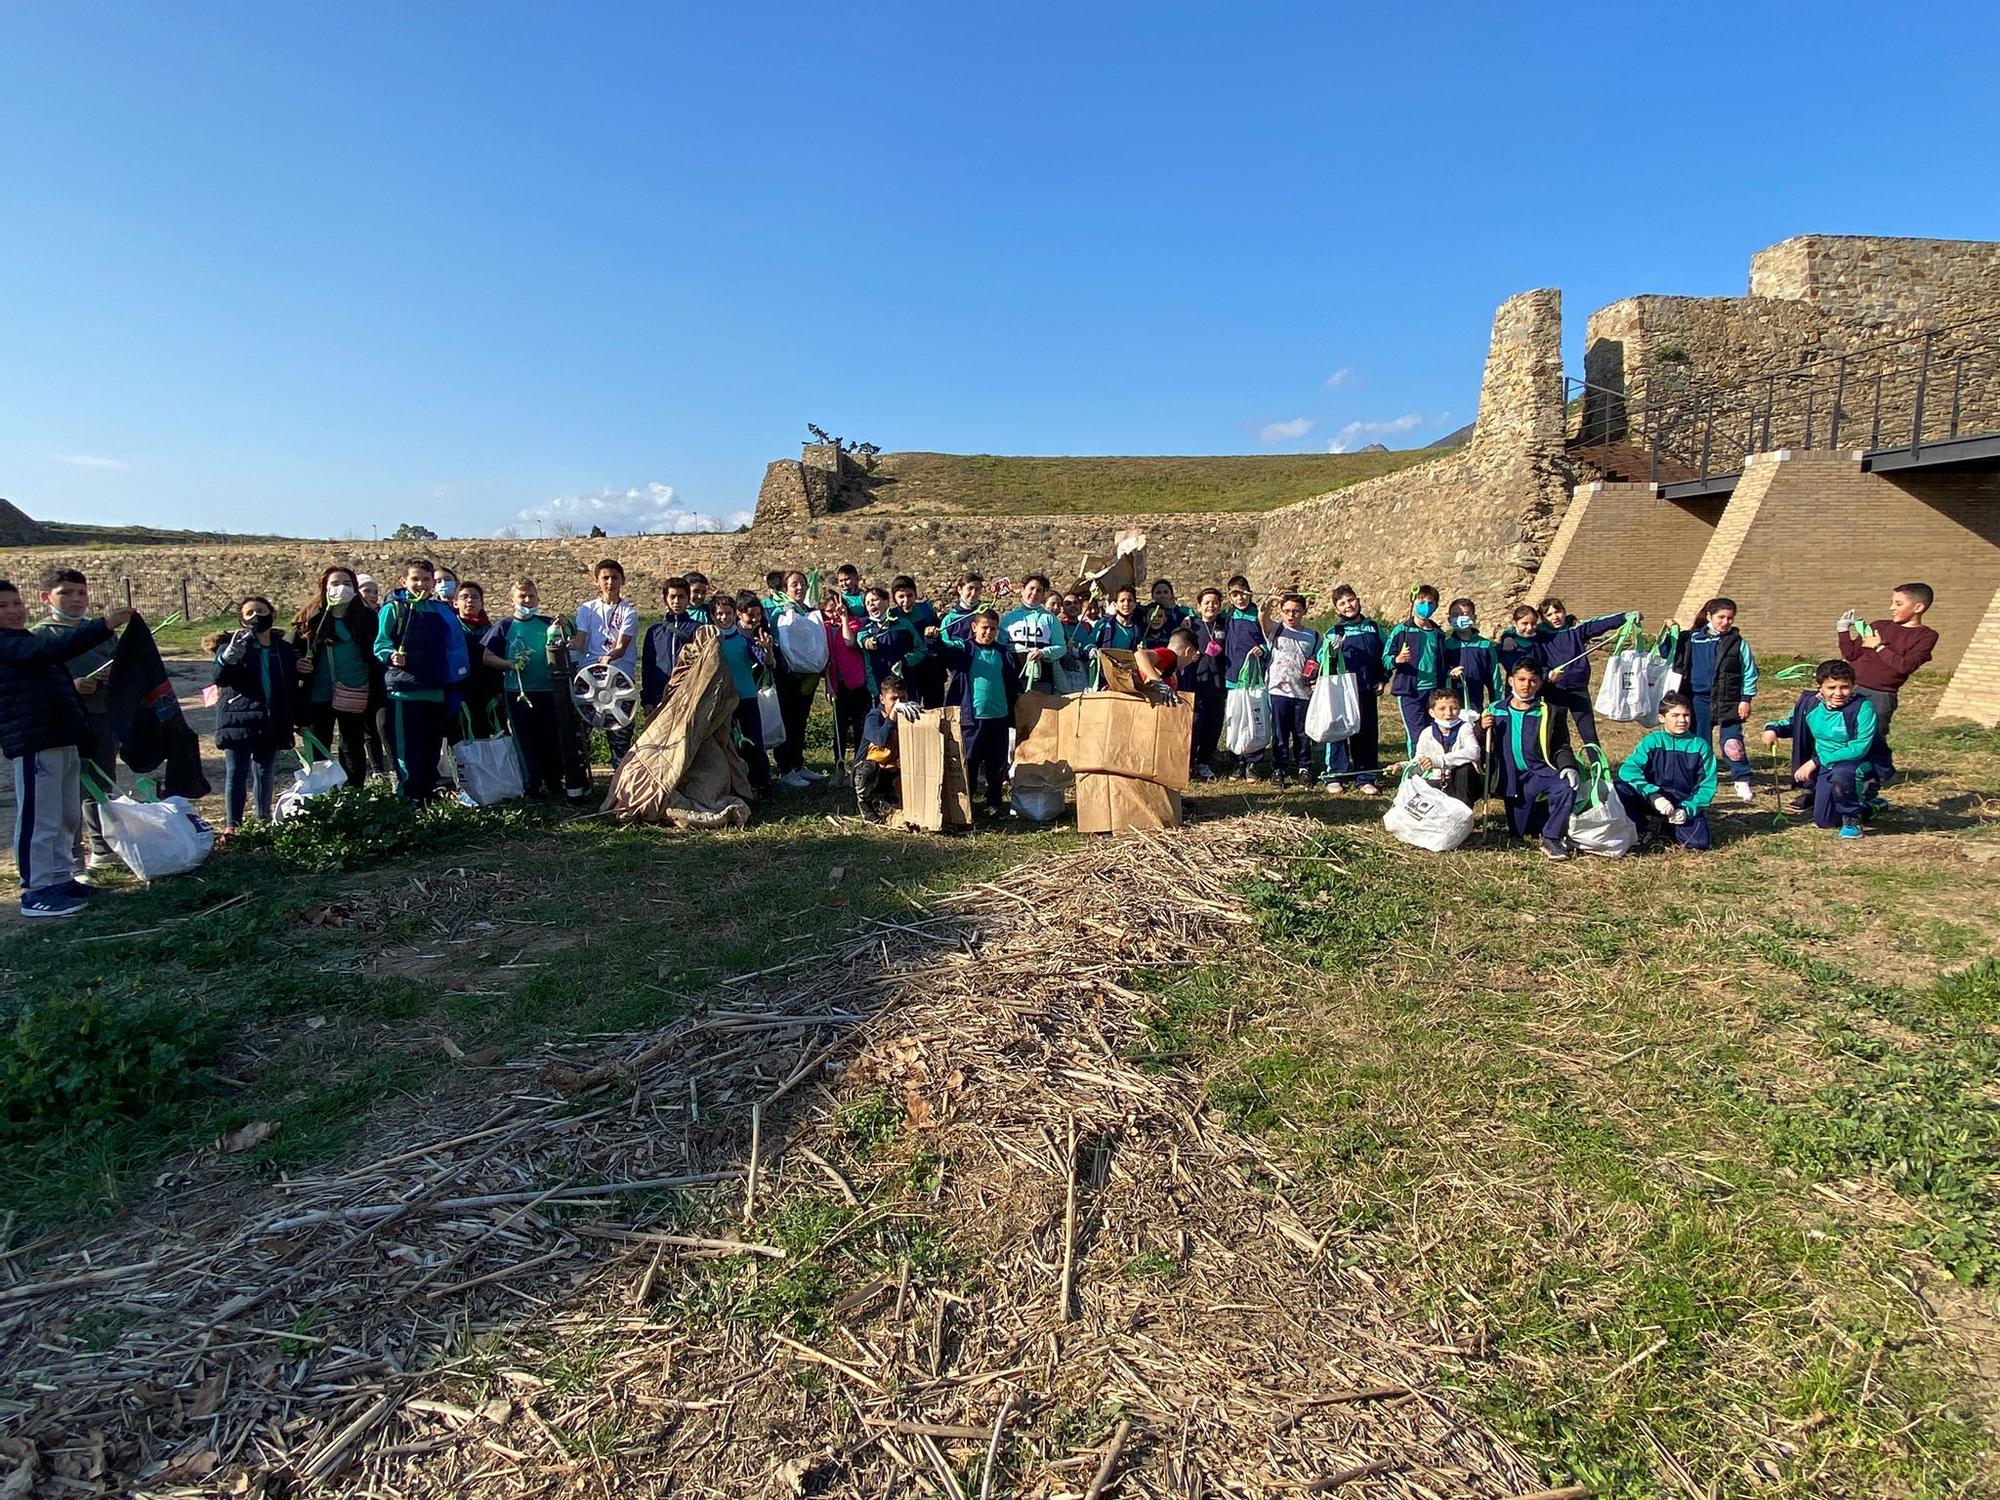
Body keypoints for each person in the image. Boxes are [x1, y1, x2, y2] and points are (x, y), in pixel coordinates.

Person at [2, 580, 134, 916]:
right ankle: (36, 890)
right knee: (39, 817)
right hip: (34, 742)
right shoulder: (12, 644)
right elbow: (52, 651)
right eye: (3, 607)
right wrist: (103, 626)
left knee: (65, 813)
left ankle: (61, 877)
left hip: (61, 739)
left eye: (16, 603)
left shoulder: (24, 640)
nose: (15, 611)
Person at [33, 567, 121, 875]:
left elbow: (124, 666)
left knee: (102, 783)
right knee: (68, 789)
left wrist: (113, 676)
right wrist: (72, 685)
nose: (76, 599)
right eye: (66, 593)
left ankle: (102, 848)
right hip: (64, 723)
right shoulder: (40, 636)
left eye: (81, 592)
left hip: (102, 717)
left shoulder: (102, 633)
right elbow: (34, 683)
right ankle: (71, 858)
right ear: (46, 598)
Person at [373, 557, 467, 799]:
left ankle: (427, 796)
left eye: (426, 579)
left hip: (435, 690)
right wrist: (391, 656)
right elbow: (381, 643)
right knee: (408, 752)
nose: (421, 584)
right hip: (405, 692)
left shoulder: (440, 611)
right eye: (415, 579)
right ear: (404, 581)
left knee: (431, 750)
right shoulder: (394, 609)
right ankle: (409, 798)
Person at [1761, 659, 1877, 838]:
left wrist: (1815, 761)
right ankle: (1870, 808)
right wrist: (1771, 729)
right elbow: (1793, 723)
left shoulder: (1863, 707)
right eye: (1831, 687)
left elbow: (1859, 747)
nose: (1838, 693)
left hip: (1856, 763)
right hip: (1825, 764)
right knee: (1825, 821)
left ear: (1853, 685)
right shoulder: (1810, 704)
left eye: (1844, 687)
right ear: (1820, 687)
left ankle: (1852, 819)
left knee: (1843, 772)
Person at [1837, 581, 1937, 789]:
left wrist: (1879, 647)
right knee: (1844, 732)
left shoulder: (1926, 636)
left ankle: (1877, 777)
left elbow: (1904, 666)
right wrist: (1843, 631)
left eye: (1898, 603)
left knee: (1873, 736)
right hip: (1852, 688)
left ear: (1918, 607)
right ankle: (1848, 772)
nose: (1892, 608)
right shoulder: (1879, 626)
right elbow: (1851, 654)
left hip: (1881, 694)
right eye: (1892, 602)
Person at [212, 595, 298, 836]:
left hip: (271, 721)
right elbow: (219, 677)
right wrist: (227, 659)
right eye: (249, 613)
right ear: (241, 621)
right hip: (238, 720)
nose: (256, 616)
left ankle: (262, 821)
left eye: (261, 610)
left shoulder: (283, 649)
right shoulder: (233, 646)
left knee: (265, 772)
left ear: (273, 614)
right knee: (236, 773)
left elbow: (291, 684)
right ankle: (233, 825)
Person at [1656, 597, 1757, 802]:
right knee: (1700, 743)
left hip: (1728, 700)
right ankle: (1703, 777)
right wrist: (1670, 632)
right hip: (1696, 701)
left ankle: (1741, 778)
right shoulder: (1691, 638)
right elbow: (1666, 652)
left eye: (1730, 618)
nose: (1725, 622)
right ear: (1709, 616)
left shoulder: (1737, 643)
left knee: (1732, 742)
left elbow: (1750, 672)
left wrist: (1745, 699)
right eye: (1721, 617)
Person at [1480, 659, 1582, 860]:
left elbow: (1561, 744)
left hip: (1539, 773)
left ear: (1540, 683)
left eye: (1533, 680)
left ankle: (1552, 838)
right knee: (1520, 832)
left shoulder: (1548, 711)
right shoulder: (1494, 710)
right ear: (1511, 681)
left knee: (1566, 785)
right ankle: (1539, 819)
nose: (1526, 685)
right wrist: (1480, 728)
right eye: (1521, 679)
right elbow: (1481, 745)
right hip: (1511, 780)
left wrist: (1568, 766)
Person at [291, 565, 380, 787]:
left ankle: (354, 792)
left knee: (352, 744)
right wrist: (298, 662)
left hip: (354, 691)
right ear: (325, 587)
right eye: (336, 584)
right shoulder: (311, 618)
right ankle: (322, 791)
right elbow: (291, 649)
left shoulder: (367, 617)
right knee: (320, 744)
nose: (342, 588)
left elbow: (376, 650)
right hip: (319, 693)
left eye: (348, 584)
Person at [930, 608, 1024, 817]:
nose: (988, 633)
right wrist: (933, 640)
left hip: (998, 718)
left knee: (996, 764)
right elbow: (943, 651)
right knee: (970, 763)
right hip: (972, 720)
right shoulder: (965, 649)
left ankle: (994, 802)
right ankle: (967, 804)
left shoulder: (1002, 652)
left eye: (993, 629)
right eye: (984, 628)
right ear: (974, 627)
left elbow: (1012, 682)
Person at [1616, 690, 1718, 850]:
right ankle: (1641, 825)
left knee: (1698, 844)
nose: (1682, 720)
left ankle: (1669, 826)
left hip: (1682, 802)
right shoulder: (1651, 741)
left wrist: (1687, 809)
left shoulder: (1700, 746)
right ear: (1662, 718)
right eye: (1675, 715)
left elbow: (1707, 785)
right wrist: (1653, 794)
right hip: (1652, 799)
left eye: (1686, 715)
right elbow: (1628, 770)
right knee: (1620, 788)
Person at [1537, 597, 1634, 750]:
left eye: (1558, 612)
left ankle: (1599, 767)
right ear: (1543, 618)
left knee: (1589, 734)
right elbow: (1532, 661)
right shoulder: (1539, 636)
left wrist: (1624, 617)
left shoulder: (1576, 629)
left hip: (1578, 689)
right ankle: (1564, 767)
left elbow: (1599, 624)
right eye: (1549, 615)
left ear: (1564, 611)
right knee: (1558, 733)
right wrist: (1547, 674)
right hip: (1554, 691)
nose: (1555, 617)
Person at [1319, 585, 1386, 795]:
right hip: (1342, 692)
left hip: (1366, 690)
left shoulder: (1374, 628)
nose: (1348, 606)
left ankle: (1366, 776)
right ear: (1337, 610)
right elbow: (1324, 660)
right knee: (1338, 733)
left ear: (1358, 600)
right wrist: (1332, 651)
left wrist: (1383, 679)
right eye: (1342, 603)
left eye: (1350, 600)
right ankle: (1335, 775)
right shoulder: (1334, 631)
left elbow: (1385, 656)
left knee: (1366, 733)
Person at [572, 559, 638, 768]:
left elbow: (621, 646)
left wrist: (610, 658)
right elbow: (580, 641)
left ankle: (621, 785)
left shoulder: (629, 612)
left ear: (623, 580)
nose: (610, 582)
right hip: (588, 678)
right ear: (597, 582)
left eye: (614, 577)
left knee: (620, 736)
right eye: (605, 578)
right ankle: (580, 783)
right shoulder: (586, 610)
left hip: (618, 679)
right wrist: (564, 642)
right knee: (579, 735)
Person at [502, 579, 566, 796]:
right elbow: (487, 656)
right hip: (518, 692)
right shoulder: (504, 626)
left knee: (551, 737)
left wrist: (566, 624)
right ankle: (531, 783)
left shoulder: (547, 624)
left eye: (531, 596)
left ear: (538, 599)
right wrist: (510, 664)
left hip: (548, 690)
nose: (527, 600)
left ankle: (555, 781)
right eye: (522, 596)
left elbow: (571, 639)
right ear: (512, 600)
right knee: (526, 739)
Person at [769, 570, 829, 787]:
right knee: (787, 721)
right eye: (794, 584)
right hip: (787, 677)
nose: (800, 588)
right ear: (786, 589)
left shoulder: (808, 612)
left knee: (800, 721)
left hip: (807, 677)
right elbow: (777, 642)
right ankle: (785, 769)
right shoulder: (780, 612)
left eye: (803, 583)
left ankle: (798, 764)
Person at [710, 592, 771, 794]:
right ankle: (732, 783)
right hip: (720, 700)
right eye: (719, 613)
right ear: (712, 616)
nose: (723, 617)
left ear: (734, 615)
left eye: (727, 613)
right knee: (727, 744)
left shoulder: (745, 640)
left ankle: (761, 783)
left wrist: (767, 650)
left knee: (753, 741)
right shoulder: (709, 642)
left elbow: (766, 662)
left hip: (746, 697)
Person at [1262, 593, 1320, 787]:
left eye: (1296, 611)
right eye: (1286, 611)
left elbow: (1316, 660)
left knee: (1301, 732)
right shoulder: (1276, 630)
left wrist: (1314, 670)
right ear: (1281, 612)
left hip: (1302, 692)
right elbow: (1262, 617)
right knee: (1279, 732)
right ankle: (1278, 768)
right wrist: (1270, 599)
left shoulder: (1312, 635)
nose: (1291, 615)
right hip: (1278, 691)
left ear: (1304, 611)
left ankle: (1303, 767)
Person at [1383, 584, 1446, 755]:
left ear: (1436, 606)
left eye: (1430, 602)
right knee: (1416, 735)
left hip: (1433, 691)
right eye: (1421, 601)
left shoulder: (1438, 633)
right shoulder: (1401, 630)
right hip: (1409, 691)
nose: (1425, 606)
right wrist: (1397, 659)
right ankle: (1415, 770)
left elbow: (1443, 662)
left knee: (1434, 732)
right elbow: (1385, 660)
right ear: (1413, 602)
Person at [449, 583, 515, 741]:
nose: (470, 601)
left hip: (490, 694)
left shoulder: (492, 631)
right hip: (461, 693)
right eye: (464, 597)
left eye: (474, 597)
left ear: (482, 603)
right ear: (455, 602)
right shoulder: (450, 630)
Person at [1398, 683, 1481, 807]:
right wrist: (1402, 767)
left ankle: (1464, 815)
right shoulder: (1426, 733)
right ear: (1432, 712)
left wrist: (1438, 761)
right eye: (1442, 709)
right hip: (1435, 781)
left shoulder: (1465, 728)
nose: (1448, 714)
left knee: (1464, 770)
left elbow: (1474, 752)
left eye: (1454, 708)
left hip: (1461, 783)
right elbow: (1418, 762)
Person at [1220, 576, 1269, 779]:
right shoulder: (1227, 616)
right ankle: (1238, 762)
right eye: (1235, 595)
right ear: (1230, 598)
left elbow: (1268, 640)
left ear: (1250, 593)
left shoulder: (1257, 615)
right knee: (1236, 720)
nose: (1240, 598)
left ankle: (1253, 763)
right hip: (1232, 678)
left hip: (1254, 678)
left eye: (1243, 593)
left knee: (1255, 719)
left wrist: (1263, 649)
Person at [824, 591, 871, 784]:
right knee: (839, 727)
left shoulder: (853, 623)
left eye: (837, 609)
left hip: (857, 682)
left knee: (860, 726)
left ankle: (858, 767)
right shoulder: (824, 628)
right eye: (829, 611)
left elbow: (849, 642)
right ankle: (839, 766)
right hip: (838, 684)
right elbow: (825, 659)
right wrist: (828, 685)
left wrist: (844, 618)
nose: (833, 613)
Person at [853, 676, 915, 821]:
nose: (899, 703)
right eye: (894, 699)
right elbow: (880, 740)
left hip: (891, 771)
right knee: (869, 768)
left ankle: (887, 796)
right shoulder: (874, 717)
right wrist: (893, 715)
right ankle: (864, 802)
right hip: (868, 772)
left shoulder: (907, 716)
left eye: (903, 698)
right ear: (882, 699)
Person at [1185, 587, 1230, 780]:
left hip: (1218, 685)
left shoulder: (1225, 624)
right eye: (1207, 603)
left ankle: (1204, 762)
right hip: (1195, 684)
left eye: (1215, 603)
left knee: (1213, 727)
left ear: (1220, 606)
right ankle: (1188, 763)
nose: (1211, 606)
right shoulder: (1191, 626)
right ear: (1199, 606)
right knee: (1194, 725)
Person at [641, 576, 702, 712]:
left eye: (681, 597)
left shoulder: (698, 629)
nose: (676, 601)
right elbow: (648, 666)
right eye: (672, 597)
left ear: (688, 599)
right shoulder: (655, 631)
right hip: (660, 692)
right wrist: (647, 700)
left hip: (688, 692)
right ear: (665, 599)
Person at [1000, 575, 1064, 692]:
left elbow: (1061, 647)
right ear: (1022, 589)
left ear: (1044, 594)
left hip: (1042, 677)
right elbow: (1000, 647)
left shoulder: (1050, 619)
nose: (1034, 593)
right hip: (1013, 677)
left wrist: (1043, 653)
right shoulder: (1008, 618)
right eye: (1031, 588)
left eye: (1039, 590)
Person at [889, 575, 944, 709]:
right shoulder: (891, 616)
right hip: (908, 671)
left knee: (935, 710)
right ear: (894, 598)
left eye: (910, 595)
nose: (906, 600)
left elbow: (940, 634)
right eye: (901, 596)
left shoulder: (927, 610)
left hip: (932, 669)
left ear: (915, 595)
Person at [353, 574, 389, 774]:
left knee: (384, 725)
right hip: (362, 678)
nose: (373, 595)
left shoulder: (383, 614)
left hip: (382, 678)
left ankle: (393, 768)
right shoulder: (354, 619)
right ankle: (378, 770)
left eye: (375, 591)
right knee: (368, 729)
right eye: (367, 591)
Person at [854, 585, 917, 697]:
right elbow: (861, 642)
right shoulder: (866, 631)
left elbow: (921, 649)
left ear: (886, 602)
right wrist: (866, 642)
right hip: (881, 688)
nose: (871, 604)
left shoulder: (904, 624)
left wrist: (905, 661)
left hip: (906, 684)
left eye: (875, 600)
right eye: (868, 603)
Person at [1442, 598, 1497, 713]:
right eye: (1455, 615)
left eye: (1465, 614)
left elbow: (1494, 678)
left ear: (1474, 617)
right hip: (1449, 708)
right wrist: (1449, 672)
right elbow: (1440, 671)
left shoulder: (1485, 645)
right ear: (1449, 619)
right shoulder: (1446, 645)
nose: (1460, 618)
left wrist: (1495, 706)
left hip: (1476, 705)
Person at [1091, 585, 1145, 659]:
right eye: (1122, 600)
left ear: (1135, 605)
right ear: (1115, 604)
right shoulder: (1104, 624)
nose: (1126, 604)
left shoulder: (1138, 631)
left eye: (1130, 600)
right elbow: (1090, 642)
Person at [1142, 579, 1189, 648]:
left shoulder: (1180, 613)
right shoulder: (1146, 611)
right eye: (1158, 592)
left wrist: (1190, 617)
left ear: (1171, 595)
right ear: (1152, 596)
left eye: (1165, 592)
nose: (1162, 595)